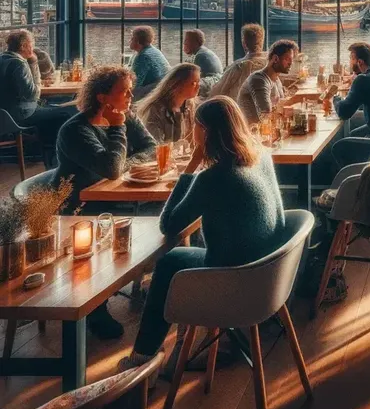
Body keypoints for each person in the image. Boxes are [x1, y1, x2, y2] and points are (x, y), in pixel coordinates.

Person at [120, 96, 286, 371]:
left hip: (234, 279)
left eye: (195, 124)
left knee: (169, 261)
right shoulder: (262, 157)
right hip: (269, 272)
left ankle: (141, 359)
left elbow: (169, 225)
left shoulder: (214, 177)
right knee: (180, 256)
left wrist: (190, 168)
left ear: (205, 131)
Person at [54, 65, 157, 339]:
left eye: (130, 90)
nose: (130, 96)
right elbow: (111, 168)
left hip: (114, 198)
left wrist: (126, 165)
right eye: (123, 91)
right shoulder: (76, 130)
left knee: (166, 216)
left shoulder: (124, 118)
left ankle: (160, 289)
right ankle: (96, 309)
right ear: (102, 97)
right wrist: (117, 130)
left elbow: (151, 147)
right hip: (80, 208)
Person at [0, 30, 75, 163]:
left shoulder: (3, 59)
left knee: (53, 108)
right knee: (68, 111)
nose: (33, 47)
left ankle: (49, 156)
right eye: (31, 44)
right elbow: (33, 94)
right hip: (21, 115)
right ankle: (56, 159)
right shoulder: (19, 64)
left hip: (5, 116)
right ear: (23, 46)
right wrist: (34, 64)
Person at [238, 39, 298, 126]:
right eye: (287, 59)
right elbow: (266, 115)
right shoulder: (259, 80)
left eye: (291, 59)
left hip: (269, 131)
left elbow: (282, 105)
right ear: (275, 59)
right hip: (254, 134)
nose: (291, 63)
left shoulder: (276, 80)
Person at [137, 63, 200, 144]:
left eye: (199, 82)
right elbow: (156, 145)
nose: (198, 86)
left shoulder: (190, 107)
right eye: (194, 83)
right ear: (178, 84)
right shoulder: (156, 110)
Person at [209, 23, 268, 100]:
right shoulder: (271, 64)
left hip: (239, 109)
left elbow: (216, 92)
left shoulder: (238, 67)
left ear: (244, 43)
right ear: (262, 41)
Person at [129, 26, 170, 98]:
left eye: (132, 38)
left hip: (155, 94)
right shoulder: (154, 50)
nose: (130, 40)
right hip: (163, 90)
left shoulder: (143, 56)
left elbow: (135, 84)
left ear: (137, 41)